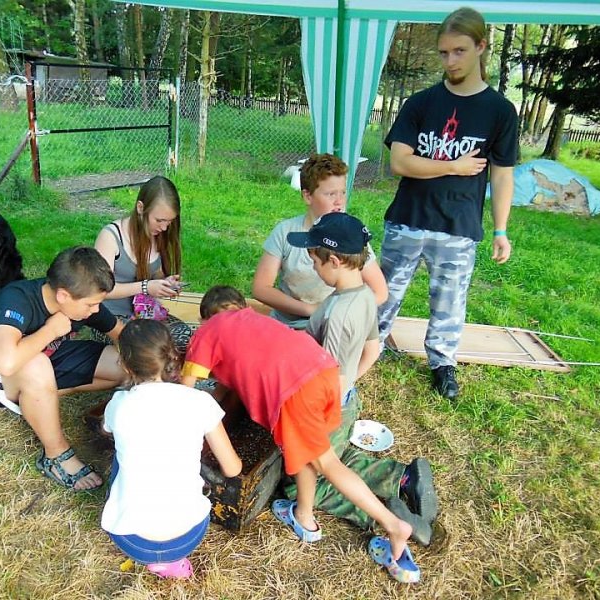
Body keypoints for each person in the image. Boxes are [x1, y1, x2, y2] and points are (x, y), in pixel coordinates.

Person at [181, 286, 419, 584]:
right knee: (310, 453)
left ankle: (393, 525)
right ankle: (304, 517)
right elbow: (234, 377)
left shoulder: (207, 331)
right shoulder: (256, 321)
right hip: (324, 372)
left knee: (327, 463)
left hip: (295, 392)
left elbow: (183, 395)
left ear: (205, 319)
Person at [378, 6, 518, 399]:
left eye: (459, 51)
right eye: (444, 53)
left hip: (458, 225)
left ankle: (442, 364)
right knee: (383, 293)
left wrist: (501, 230)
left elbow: (502, 175)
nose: (451, 61)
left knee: (450, 302)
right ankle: (369, 345)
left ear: (481, 47)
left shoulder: (500, 111)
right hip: (407, 218)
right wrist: (453, 166)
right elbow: (400, 162)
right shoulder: (421, 103)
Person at [286, 212, 439, 548]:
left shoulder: (338, 313)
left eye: (315, 261)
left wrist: (316, 416)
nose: (313, 267)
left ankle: (382, 515)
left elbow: (329, 376)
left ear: (334, 261)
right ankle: (403, 478)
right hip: (345, 401)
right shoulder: (364, 296)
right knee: (335, 458)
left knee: (303, 480)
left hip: (326, 406)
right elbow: (372, 350)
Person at [0, 246, 128, 491]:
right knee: (36, 363)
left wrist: (152, 367)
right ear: (63, 295)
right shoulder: (17, 299)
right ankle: (55, 455)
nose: (95, 310)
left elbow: (121, 335)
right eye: (92, 305)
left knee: (122, 365)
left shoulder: (80, 299)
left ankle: (38, 398)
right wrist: (50, 330)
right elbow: (5, 362)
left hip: (47, 361)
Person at [101, 319, 241, 579]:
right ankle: (173, 563)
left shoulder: (118, 404)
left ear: (125, 365)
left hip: (132, 540)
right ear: (172, 356)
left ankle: (154, 557)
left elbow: (106, 430)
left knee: (122, 454)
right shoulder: (200, 401)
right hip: (187, 536)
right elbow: (233, 469)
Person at [252, 153, 388, 330]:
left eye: (343, 192)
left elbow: (380, 292)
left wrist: (340, 311)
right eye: (331, 194)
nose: (339, 201)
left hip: (333, 324)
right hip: (288, 324)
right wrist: (310, 310)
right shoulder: (286, 231)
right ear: (307, 196)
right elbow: (261, 288)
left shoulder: (349, 234)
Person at [93, 175, 191, 351]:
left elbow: (155, 273)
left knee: (185, 337)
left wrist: (165, 283)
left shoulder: (157, 235)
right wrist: (146, 287)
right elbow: (101, 290)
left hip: (145, 314)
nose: (164, 228)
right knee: (148, 347)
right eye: (159, 220)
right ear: (140, 208)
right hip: (110, 318)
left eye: (169, 222)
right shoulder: (111, 237)